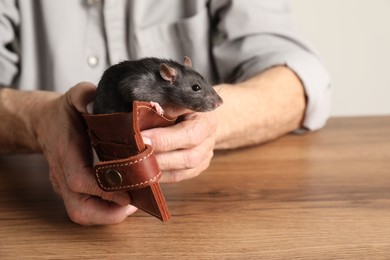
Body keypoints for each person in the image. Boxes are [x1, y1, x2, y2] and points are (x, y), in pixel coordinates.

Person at [0, 0, 331, 225]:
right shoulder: (149, 82)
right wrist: (38, 119)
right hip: (39, 206)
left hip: (193, 202)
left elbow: (301, 78)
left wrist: (211, 125)